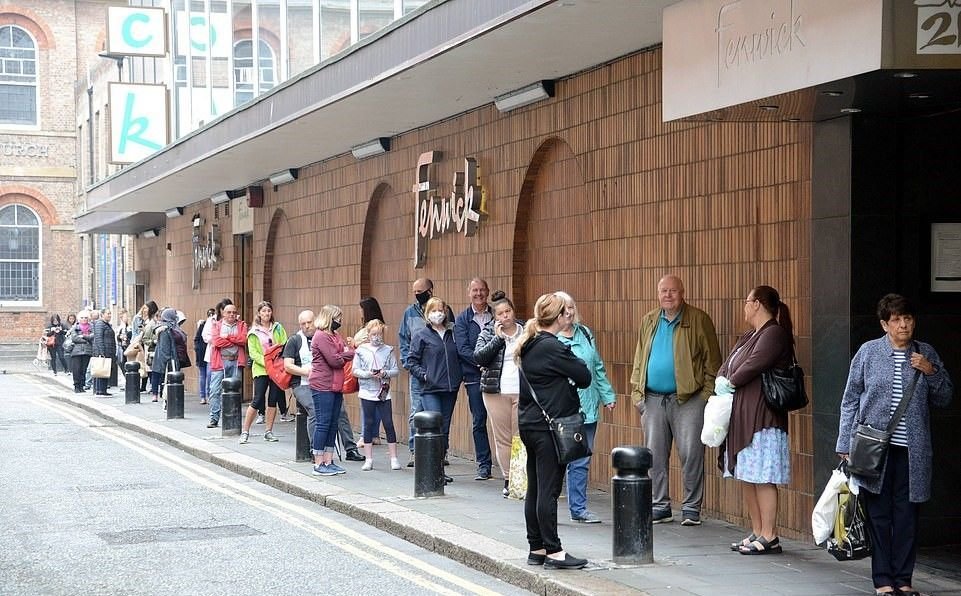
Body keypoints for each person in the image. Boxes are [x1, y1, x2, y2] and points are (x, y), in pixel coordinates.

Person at [837, 294, 953, 596]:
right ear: (884, 324)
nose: (904, 324)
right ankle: (883, 581)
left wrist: (931, 371)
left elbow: (945, 398)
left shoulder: (925, 353)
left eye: (908, 319)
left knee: (907, 517)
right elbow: (850, 399)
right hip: (875, 450)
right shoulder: (868, 353)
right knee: (879, 515)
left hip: (913, 452)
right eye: (897, 320)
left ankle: (904, 580)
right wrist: (844, 442)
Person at [630, 274, 721, 526]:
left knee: (691, 453)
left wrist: (705, 396)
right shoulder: (649, 320)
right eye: (663, 291)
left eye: (673, 291)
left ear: (683, 293)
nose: (668, 295)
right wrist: (638, 396)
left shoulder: (699, 319)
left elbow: (713, 362)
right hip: (652, 399)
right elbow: (639, 359)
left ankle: (691, 507)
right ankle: (660, 505)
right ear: (657, 293)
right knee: (655, 455)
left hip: (689, 399)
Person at [516, 292, 592, 570]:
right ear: (559, 317)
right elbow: (584, 377)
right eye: (565, 313)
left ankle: (536, 548)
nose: (568, 317)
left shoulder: (530, 343)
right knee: (548, 491)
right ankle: (554, 551)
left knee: (535, 488)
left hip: (530, 424)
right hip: (549, 427)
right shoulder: (552, 346)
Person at [717, 285, 794, 554]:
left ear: (758, 303)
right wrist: (723, 377)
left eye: (747, 301)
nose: (745, 306)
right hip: (743, 414)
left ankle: (770, 534)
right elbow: (731, 362)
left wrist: (730, 380)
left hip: (763, 417)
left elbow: (753, 364)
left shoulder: (773, 333)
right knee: (747, 474)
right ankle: (757, 530)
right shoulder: (752, 334)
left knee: (763, 476)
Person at [554, 291, 616, 524]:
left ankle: (578, 509)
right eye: (563, 308)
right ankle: (546, 506)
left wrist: (607, 395)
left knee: (581, 459)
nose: (569, 312)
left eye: (571, 307)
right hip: (561, 409)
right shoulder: (550, 338)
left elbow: (597, 367)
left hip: (587, 408)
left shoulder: (586, 333)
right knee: (556, 460)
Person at [406, 297, 462, 484]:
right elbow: (411, 361)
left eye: (441, 310)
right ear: (427, 314)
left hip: (450, 387)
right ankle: (431, 468)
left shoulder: (452, 333)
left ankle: (439, 467)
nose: (438, 313)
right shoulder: (421, 335)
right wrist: (424, 375)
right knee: (435, 425)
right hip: (430, 388)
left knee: (445, 428)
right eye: (434, 310)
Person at [474, 291, 524, 497]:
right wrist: (497, 339)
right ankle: (508, 479)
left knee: (520, 437)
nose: (505, 316)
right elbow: (479, 357)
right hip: (496, 392)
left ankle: (521, 479)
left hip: (523, 392)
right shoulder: (488, 332)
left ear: (513, 311)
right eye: (500, 313)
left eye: (508, 311)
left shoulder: (527, 331)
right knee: (503, 438)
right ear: (495, 317)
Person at [454, 277, 494, 481]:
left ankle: (512, 465)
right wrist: (481, 362)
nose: (479, 294)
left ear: (487, 292)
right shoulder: (462, 319)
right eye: (475, 290)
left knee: (503, 422)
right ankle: (484, 464)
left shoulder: (497, 315)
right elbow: (462, 349)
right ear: (469, 293)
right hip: (474, 377)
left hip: (498, 377)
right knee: (479, 421)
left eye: (482, 290)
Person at [309, 304, 355, 476]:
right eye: (338, 318)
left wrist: (344, 354)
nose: (340, 321)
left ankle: (329, 460)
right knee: (323, 423)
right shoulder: (321, 336)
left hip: (335, 385)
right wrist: (346, 354)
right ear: (329, 318)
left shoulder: (335, 335)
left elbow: (344, 353)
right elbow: (334, 360)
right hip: (322, 385)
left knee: (333, 423)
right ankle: (318, 462)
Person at [352, 319, 401, 471]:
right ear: (368, 334)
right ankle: (368, 459)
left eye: (379, 334)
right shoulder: (361, 350)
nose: (376, 337)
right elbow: (355, 370)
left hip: (383, 392)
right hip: (367, 392)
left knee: (388, 423)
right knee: (368, 423)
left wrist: (385, 373)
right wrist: (368, 374)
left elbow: (395, 370)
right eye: (373, 334)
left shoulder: (388, 350)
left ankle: (393, 458)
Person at [240, 301, 288, 444]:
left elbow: (284, 345)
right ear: (259, 313)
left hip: (276, 369)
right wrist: (267, 363)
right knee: (258, 399)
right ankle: (245, 431)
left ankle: (268, 431)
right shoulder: (253, 332)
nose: (267, 313)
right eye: (264, 311)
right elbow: (253, 353)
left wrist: (276, 363)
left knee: (273, 399)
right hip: (261, 369)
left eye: (269, 311)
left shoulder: (278, 328)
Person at [398, 277, 433, 466]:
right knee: (416, 411)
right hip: (416, 369)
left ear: (430, 290)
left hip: (437, 371)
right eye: (415, 292)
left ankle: (440, 451)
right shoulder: (409, 313)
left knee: (438, 412)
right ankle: (414, 450)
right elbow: (403, 339)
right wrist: (407, 363)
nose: (417, 295)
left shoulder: (441, 309)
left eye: (420, 291)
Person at [208, 303, 248, 428]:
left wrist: (227, 337)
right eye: (229, 312)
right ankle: (214, 418)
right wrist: (233, 341)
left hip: (236, 361)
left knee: (234, 391)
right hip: (220, 362)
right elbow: (216, 341)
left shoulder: (242, 325)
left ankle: (231, 417)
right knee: (215, 390)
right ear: (223, 313)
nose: (232, 314)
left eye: (234, 312)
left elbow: (243, 339)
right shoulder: (217, 325)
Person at [356, 296, 386, 449]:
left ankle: (365, 435)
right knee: (378, 402)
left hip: (368, 369)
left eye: (361, 309)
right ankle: (374, 434)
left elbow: (366, 345)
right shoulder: (379, 325)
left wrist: (355, 344)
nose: (359, 312)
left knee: (366, 404)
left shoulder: (370, 327)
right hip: (379, 368)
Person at [285, 309, 317, 439]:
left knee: (337, 411)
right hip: (301, 383)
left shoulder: (321, 337)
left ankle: (349, 448)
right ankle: (315, 450)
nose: (307, 326)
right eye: (303, 323)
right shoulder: (294, 340)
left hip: (320, 382)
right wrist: (306, 372)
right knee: (315, 411)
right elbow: (287, 366)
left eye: (309, 322)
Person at [92, 308, 117, 397]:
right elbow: (98, 338)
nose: (109, 315)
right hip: (103, 351)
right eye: (108, 313)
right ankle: (99, 390)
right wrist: (102, 352)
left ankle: (103, 390)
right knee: (101, 370)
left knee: (105, 370)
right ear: (102, 315)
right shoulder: (100, 324)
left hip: (108, 351)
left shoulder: (106, 325)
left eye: (110, 313)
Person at [68, 310, 94, 393]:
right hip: (76, 351)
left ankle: (82, 386)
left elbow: (92, 336)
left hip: (87, 351)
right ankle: (76, 386)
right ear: (79, 319)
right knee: (76, 369)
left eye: (86, 318)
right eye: (82, 318)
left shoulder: (91, 327)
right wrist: (85, 340)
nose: (84, 319)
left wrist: (83, 336)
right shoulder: (75, 327)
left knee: (84, 369)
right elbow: (74, 338)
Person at [195, 308, 214, 404]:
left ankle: (208, 395)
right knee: (204, 375)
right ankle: (203, 396)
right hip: (203, 353)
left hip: (208, 352)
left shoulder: (207, 325)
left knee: (209, 375)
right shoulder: (203, 325)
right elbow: (197, 339)